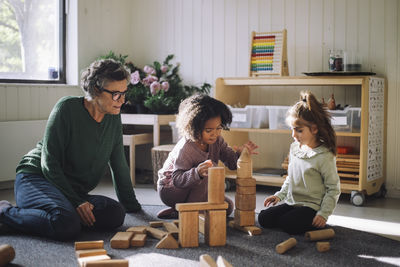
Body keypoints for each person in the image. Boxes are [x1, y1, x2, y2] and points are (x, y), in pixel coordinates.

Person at [0, 59, 141, 240]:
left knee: (115, 213)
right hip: (35, 178)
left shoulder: (113, 118)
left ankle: (47, 217)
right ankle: (6, 212)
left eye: (124, 93)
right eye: (115, 94)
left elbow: (119, 164)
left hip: (69, 189)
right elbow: (49, 164)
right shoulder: (66, 108)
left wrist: (134, 208)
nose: (122, 100)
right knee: (66, 223)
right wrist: (77, 202)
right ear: (96, 90)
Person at [156, 94, 258, 219]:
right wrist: (197, 172)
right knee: (209, 170)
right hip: (171, 190)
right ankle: (193, 213)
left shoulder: (217, 140)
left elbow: (232, 164)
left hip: (194, 188)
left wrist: (241, 154)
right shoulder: (187, 147)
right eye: (209, 130)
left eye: (219, 128)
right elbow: (177, 179)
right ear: (194, 128)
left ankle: (180, 211)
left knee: (227, 207)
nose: (215, 134)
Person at [258, 91, 341, 235]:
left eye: (299, 130)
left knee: (288, 224)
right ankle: (293, 220)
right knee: (263, 218)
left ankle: (312, 222)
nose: (293, 135)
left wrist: (323, 214)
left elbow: (333, 188)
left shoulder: (324, 156)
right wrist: (279, 196)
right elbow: (290, 178)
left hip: (312, 207)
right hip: (293, 203)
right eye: (292, 129)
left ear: (314, 129)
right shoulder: (294, 148)